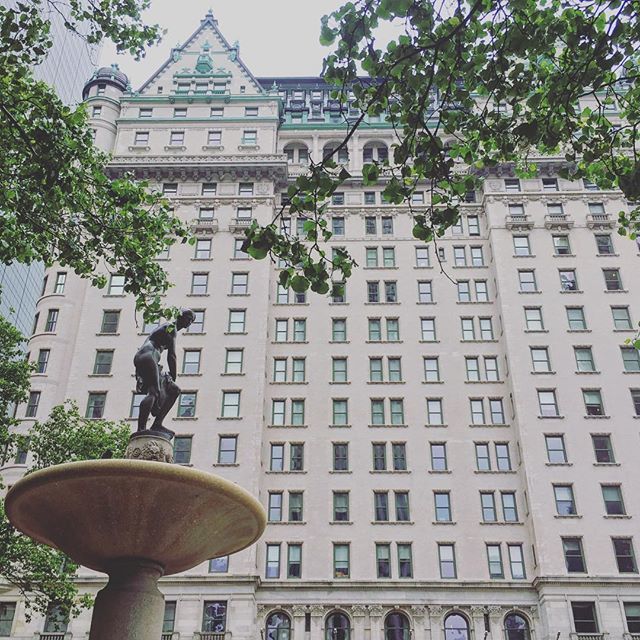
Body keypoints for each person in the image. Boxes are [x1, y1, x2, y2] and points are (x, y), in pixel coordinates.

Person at [133, 309, 195, 438]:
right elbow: (171, 356)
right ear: (180, 316)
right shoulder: (170, 328)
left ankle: (157, 424)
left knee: (175, 390)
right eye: (188, 319)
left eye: (192, 321)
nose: (189, 323)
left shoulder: (171, 329)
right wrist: (173, 376)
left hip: (151, 359)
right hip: (147, 357)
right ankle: (141, 429)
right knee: (154, 392)